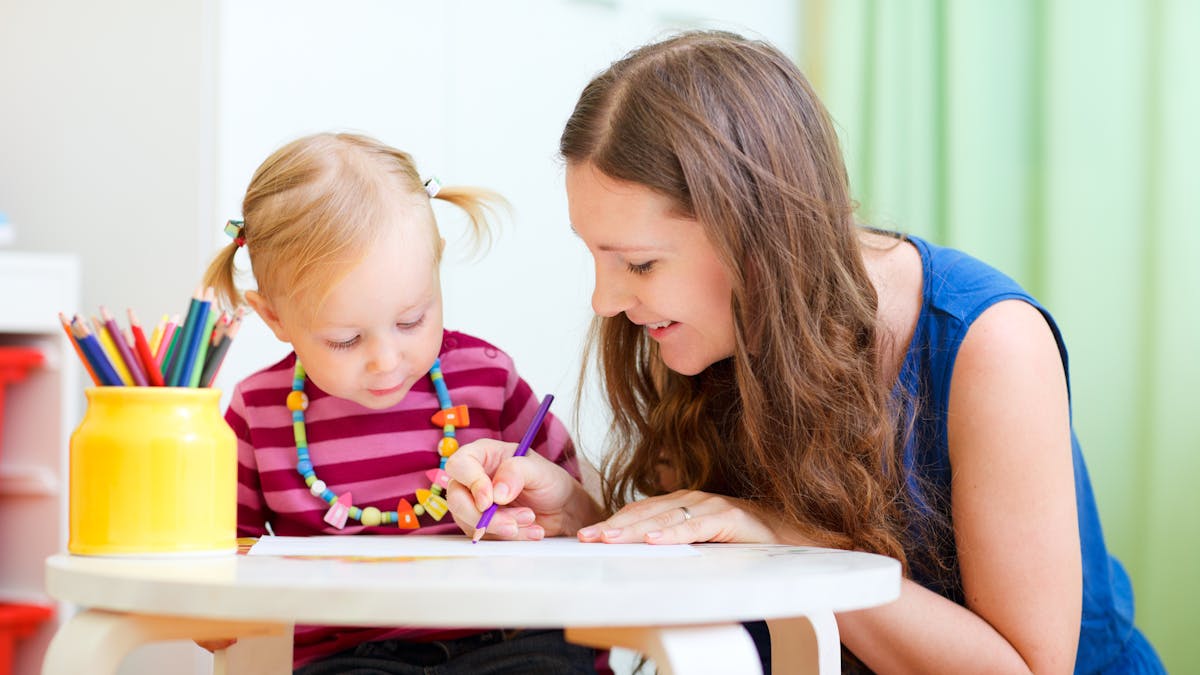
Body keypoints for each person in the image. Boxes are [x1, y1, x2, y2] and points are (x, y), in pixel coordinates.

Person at [443, 31, 1164, 674]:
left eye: (638, 264)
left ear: (752, 235)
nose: (605, 300)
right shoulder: (698, 339)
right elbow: (717, 545)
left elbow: (1026, 668)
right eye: (595, 258)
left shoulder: (990, 343)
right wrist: (579, 512)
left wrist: (785, 544)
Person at [202, 132, 602, 674]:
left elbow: (581, 525)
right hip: (346, 660)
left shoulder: (488, 379)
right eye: (346, 339)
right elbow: (218, 556)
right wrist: (213, 605)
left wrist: (526, 508)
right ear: (274, 317)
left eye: (412, 320)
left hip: (508, 639)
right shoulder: (257, 414)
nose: (387, 361)